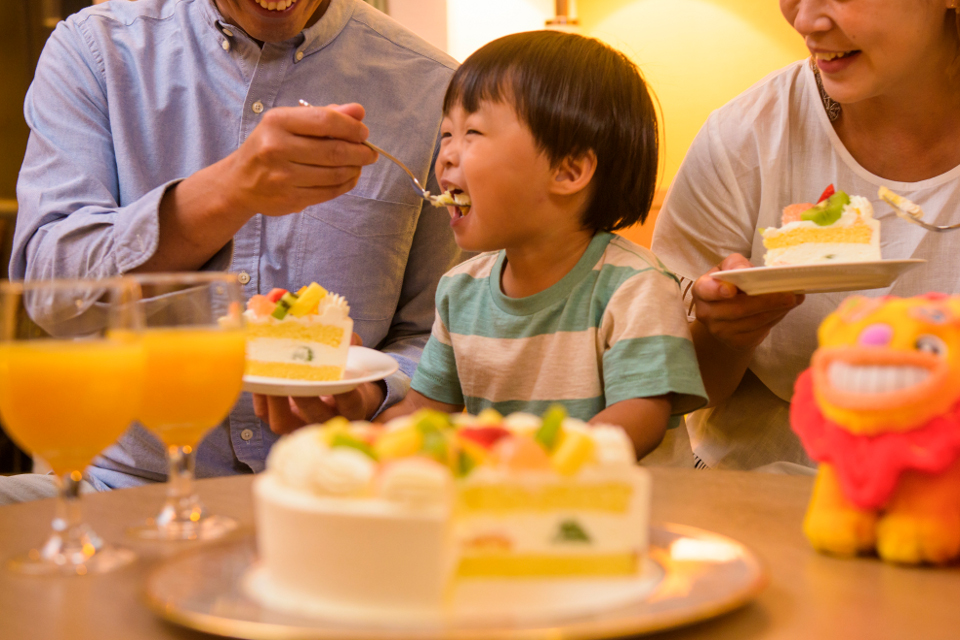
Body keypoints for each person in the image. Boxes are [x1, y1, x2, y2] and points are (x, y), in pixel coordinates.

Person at [5, 0, 460, 500]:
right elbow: (49, 295)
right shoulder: (96, 51)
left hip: (329, 489)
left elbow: (438, 331)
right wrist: (227, 192)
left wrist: (373, 393)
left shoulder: (433, 88)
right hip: (121, 487)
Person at [651, 0, 960, 471]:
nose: (804, 20)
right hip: (765, 498)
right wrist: (725, 335)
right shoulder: (747, 137)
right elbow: (662, 390)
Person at [377, 31, 708, 458]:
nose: (446, 156)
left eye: (472, 132)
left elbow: (639, 417)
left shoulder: (635, 287)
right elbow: (425, 409)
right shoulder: (460, 291)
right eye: (446, 134)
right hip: (511, 509)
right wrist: (356, 436)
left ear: (568, 171)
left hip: (617, 514)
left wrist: (534, 460)